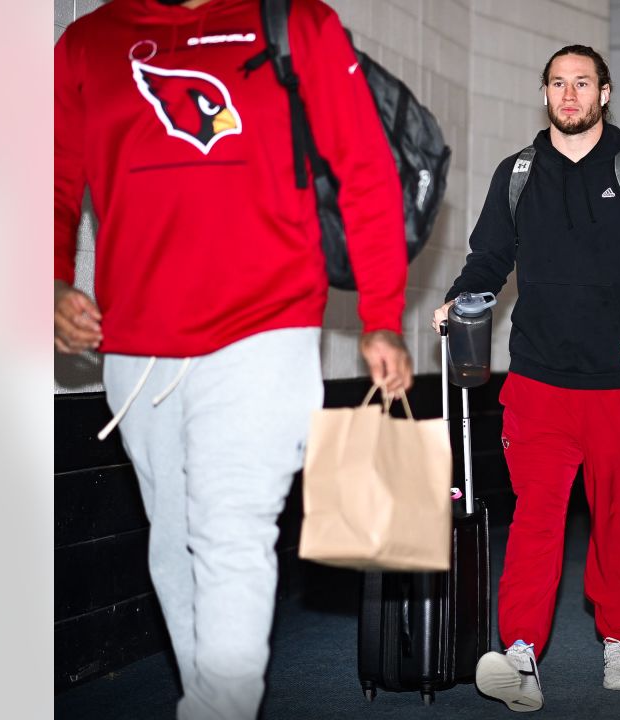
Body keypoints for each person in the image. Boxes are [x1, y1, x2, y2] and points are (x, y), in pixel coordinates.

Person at [54, 1, 412, 717]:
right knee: (174, 548)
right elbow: (54, 178)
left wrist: (381, 316)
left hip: (265, 329)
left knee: (232, 535)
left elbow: (367, 170)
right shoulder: (87, 43)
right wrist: (53, 279)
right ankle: (213, 699)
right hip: (137, 345)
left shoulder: (294, 22)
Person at [431, 45, 620, 712]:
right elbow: (489, 256)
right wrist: (462, 297)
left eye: (583, 83)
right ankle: (520, 654)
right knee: (535, 521)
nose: (569, 95)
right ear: (545, 92)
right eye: (558, 83)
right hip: (539, 385)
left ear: (605, 93)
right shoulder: (518, 174)